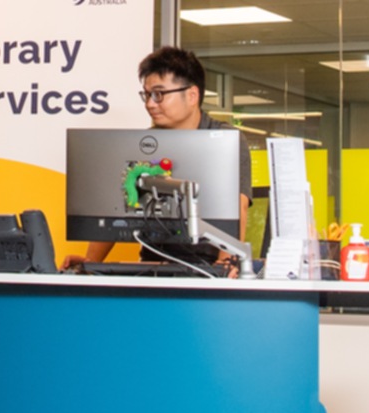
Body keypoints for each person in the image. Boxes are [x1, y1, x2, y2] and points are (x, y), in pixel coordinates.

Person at [62, 45, 252, 271]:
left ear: (192, 95)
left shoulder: (226, 140)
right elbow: (118, 208)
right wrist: (91, 262)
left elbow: (237, 209)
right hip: (152, 265)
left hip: (207, 267)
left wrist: (225, 264)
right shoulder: (146, 145)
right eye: (147, 95)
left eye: (159, 94)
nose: (150, 103)